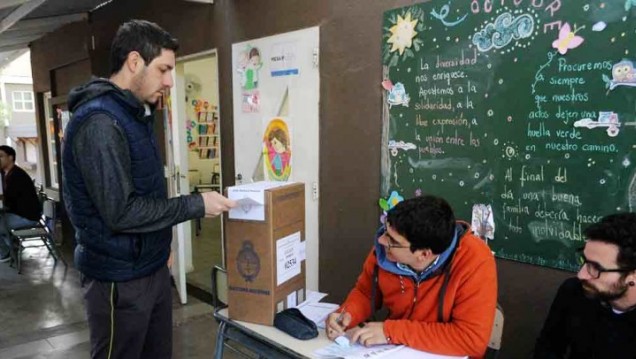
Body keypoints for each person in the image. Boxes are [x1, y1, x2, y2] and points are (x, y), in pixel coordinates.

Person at [62, 20, 236, 359]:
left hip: (150, 267)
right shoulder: (100, 123)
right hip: (119, 280)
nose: (170, 81)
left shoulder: (135, 114)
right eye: (164, 69)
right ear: (134, 61)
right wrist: (196, 204)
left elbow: (147, 192)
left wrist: (161, 245)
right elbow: (121, 212)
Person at [326, 195, 498, 358]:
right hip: (394, 350)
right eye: (385, 232)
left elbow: (470, 340)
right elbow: (366, 292)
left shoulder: (475, 259)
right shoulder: (387, 250)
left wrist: (390, 332)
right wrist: (347, 314)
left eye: (393, 241)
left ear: (423, 255)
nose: (382, 241)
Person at [534, 213, 636, 359]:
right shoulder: (573, 291)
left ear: (633, 276)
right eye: (584, 260)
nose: (581, 274)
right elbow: (548, 347)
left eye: (596, 267)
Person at [0, 145, 41, 263]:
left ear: (11, 157)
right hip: (16, 213)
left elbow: (7, 198)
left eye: (1, 156)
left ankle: (5, 252)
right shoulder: (5, 174)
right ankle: (13, 245)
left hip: (27, 217)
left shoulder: (17, 175)